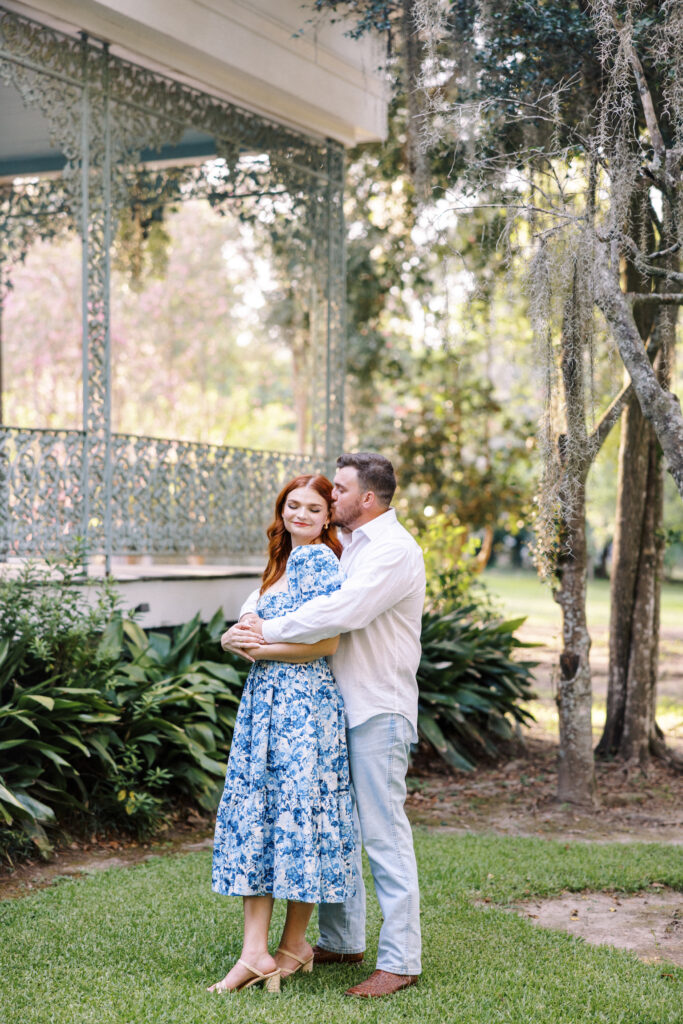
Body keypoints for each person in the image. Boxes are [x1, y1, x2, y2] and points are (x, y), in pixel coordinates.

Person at [223, 452, 426, 999]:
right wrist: (244, 627)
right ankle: (340, 940)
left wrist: (259, 631)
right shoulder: (350, 545)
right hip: (337, 706)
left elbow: (342, 613)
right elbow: (285, 585)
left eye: (338, 490)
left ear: (367, 498)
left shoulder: (391, 550)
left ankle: (402, 961)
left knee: (384, 836)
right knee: (335, 822)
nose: (329, 497)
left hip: (377, 706)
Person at [210, 474, 355, 994]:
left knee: (283, 815)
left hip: (300, 703)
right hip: (269, 701)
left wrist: (254, 649)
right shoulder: (282, 561)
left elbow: (327, 643)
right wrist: (236, 638)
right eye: (292, 505)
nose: (300, 515)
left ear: (327, 518)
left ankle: (261, 953)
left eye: (313, 509)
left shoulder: (317, 559)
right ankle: (287, 946)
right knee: (284, 818)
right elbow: (254, 625)